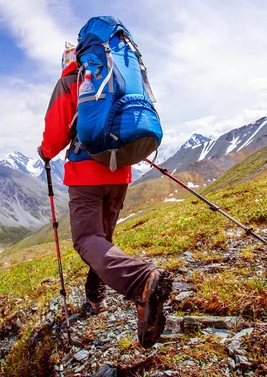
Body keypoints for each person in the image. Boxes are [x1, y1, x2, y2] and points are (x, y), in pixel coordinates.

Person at [37, 43, 172, 348]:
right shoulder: (116, 75)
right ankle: (95, 295)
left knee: (87, 240)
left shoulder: (70, 82)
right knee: (103, 239)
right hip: (121, 171)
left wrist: (44, 152)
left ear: (67, 61)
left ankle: (141, 280)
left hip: (86, 174)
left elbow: (56, 134)